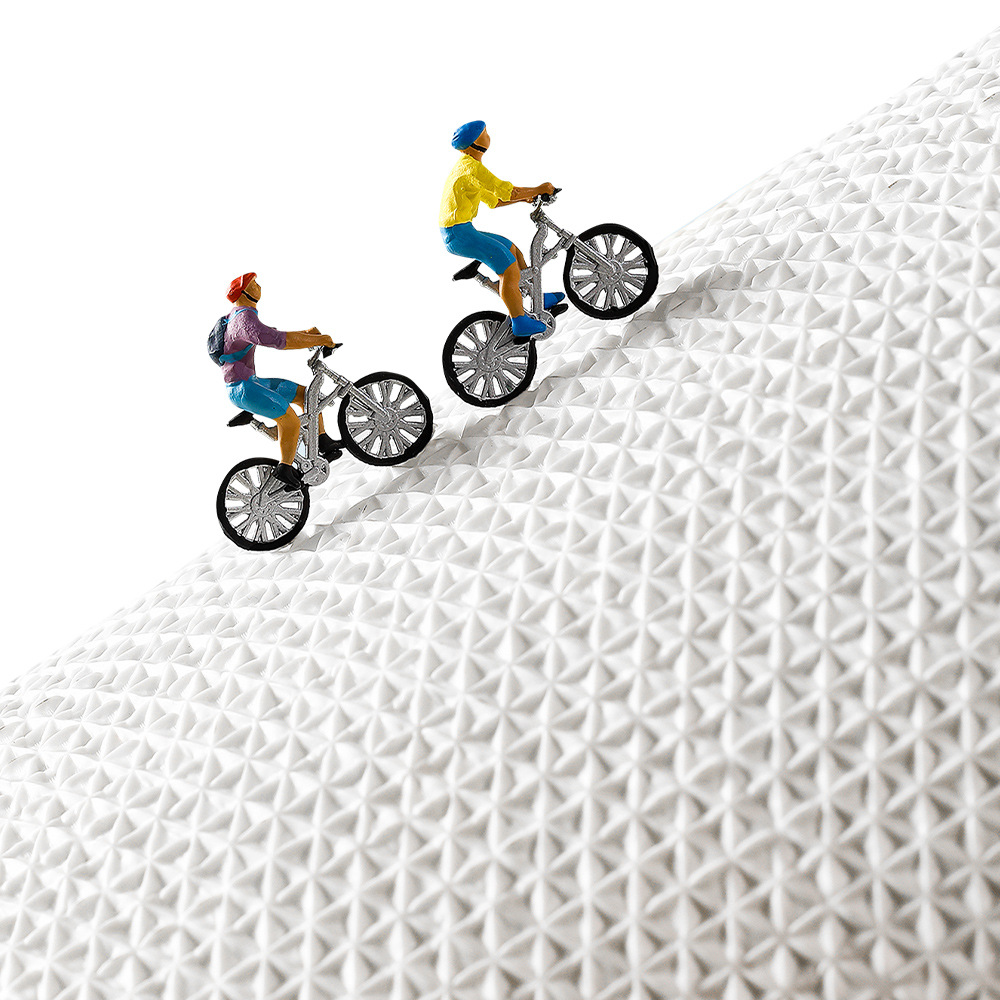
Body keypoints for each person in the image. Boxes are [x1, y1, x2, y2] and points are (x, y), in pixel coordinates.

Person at [439, 121, 562, 340]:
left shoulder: (468, 167)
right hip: (458, 234)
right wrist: (539, 188)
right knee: (509, 269)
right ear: (476, 142)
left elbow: (495, 200)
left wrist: (525, 198)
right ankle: (519, 321)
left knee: (513, 251)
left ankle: (537, 296)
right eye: (485, 133)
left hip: (462, 230)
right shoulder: (471, 168)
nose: (489, 136)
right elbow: (507, 191)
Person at [221, 272, 341, 489]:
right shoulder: (242, 318)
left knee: (306, 395)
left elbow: (270, 333)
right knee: (291, 421)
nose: (259, 286)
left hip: (251, 383)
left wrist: (308, 334)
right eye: (254, 283)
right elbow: (276, 340)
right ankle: (285, 468)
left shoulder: (241, 315)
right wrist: (320, 339)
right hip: (244, 388)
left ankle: (322, 440)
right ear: (245, 292)